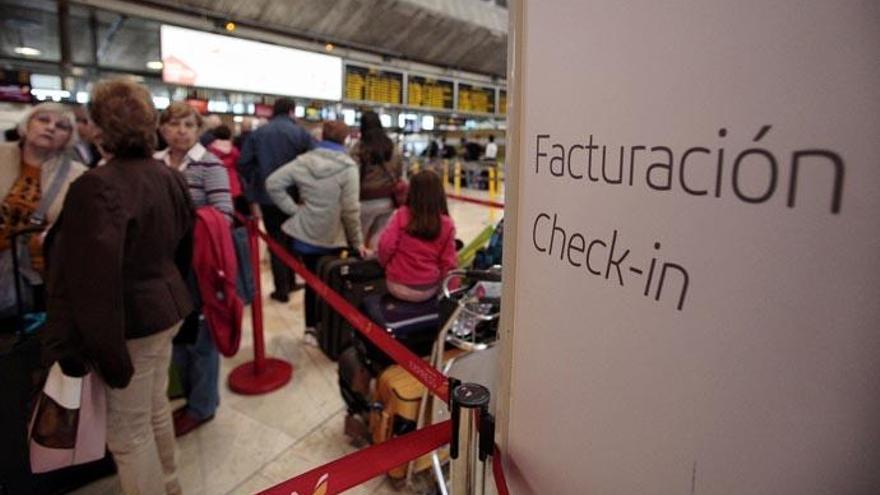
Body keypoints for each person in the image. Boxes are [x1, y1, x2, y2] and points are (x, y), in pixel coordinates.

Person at [42, 78, 194, 495]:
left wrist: (103, 352)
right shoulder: (167, 175)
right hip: (167, 307)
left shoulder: (96, 186)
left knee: (127, 435)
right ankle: (170, 484)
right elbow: (184, 244)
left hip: (131, 321)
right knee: (155, 406)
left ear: (97, 127)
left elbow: (94, 282)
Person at [155, 102, 233, 437]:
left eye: (189, 125)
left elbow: (224, 215)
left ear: (198, 129)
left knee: (201, 336)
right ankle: (187, 394)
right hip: (161, 263)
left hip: (196, 265)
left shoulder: (209, 164)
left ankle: (202, 405)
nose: (181, 131)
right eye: (174, 124)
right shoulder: (155, 164)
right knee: (176, 333)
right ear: (161, 129)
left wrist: (183, 223)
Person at [265, 120, 366, 337]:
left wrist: (294, 211)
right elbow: (350, 211)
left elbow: (273, 183)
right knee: (332, 285)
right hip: (333, 237)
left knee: (312, 283)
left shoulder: (303, 162)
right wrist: (357, 243)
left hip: (305, 236)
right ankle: (329, 330)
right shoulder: (349, 168)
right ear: (346, 139)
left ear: (321, 137)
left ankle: (310, 329)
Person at [0, 103, 87, 317]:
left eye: (61, 126)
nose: (50, 128)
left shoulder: (78, 175)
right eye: (43, 120)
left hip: (37, 276)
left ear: (69, 137)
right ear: (27, 123)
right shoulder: (2, 154)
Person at [239, 97, 313, 302]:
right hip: (294, 196)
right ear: (291, 111)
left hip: (267, 196)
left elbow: (243, 163)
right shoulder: (300, 133)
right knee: (291, 239)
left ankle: (282, 288)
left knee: (276, 241)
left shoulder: (258, 134)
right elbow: (315, 159)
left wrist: (258, 180)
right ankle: (290, 282)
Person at [377, 170, 457, 302]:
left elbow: (385, 246)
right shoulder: (447, 224)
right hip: (428, 289)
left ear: (411, 192)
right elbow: (448, 263)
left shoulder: (401, 215)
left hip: (397, 286)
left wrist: (384, 264)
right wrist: (452, 292)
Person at [352, 110, 402, 249]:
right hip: (388, 201)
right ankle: (374, 265)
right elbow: (399, 173)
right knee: (378, 240)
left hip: (364, 201)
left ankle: (360, 268)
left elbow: (352, 175)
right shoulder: (392, 146)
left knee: (359, 242)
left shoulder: (359, 148)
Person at [207, 124, 246, 213]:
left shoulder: (210, 150)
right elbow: (239, 165)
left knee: (216, 211)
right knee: (232, 210)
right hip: (232, 183)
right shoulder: (234, 151)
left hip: (215, 182)